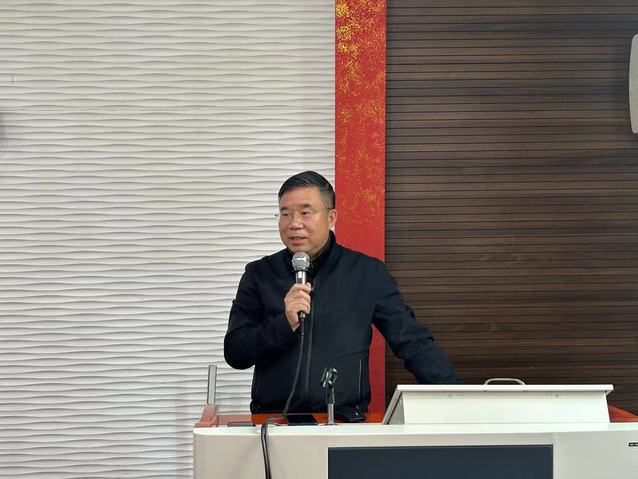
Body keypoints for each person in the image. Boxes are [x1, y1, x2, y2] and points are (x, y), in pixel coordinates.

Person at [224, 171, 461, 415]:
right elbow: (235, 352)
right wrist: (283, 324)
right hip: (272, 421)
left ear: (331, 217)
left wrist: (459, 400)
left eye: (306, 212)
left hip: (343, 420)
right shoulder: (259, 274)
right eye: (285, 214)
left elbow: (412, 342)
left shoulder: (367, 273)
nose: (294, 223)